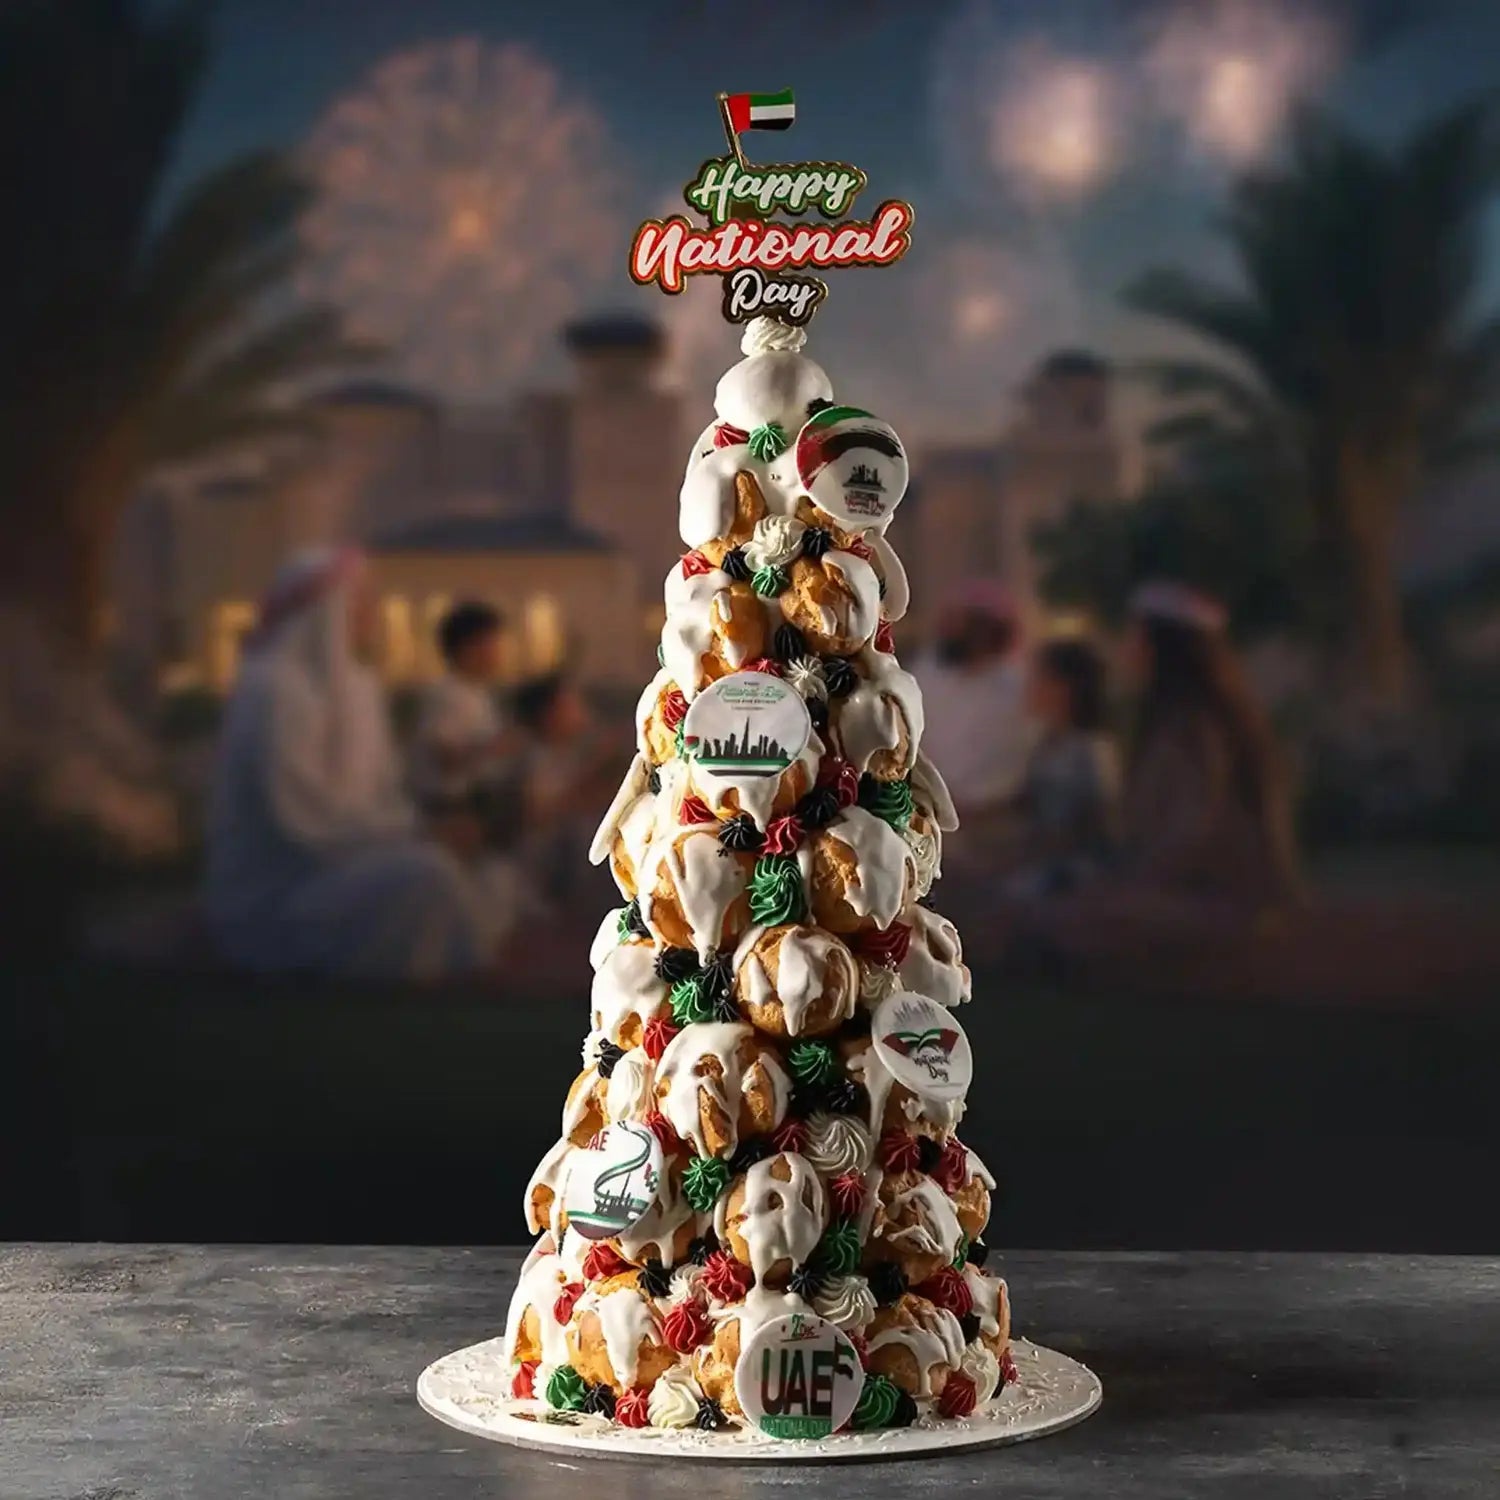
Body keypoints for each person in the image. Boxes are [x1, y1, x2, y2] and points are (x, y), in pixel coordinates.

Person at [205, 548, 510, 982]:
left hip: (357, 858)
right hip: (288, 887)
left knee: (490, 874)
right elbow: (302, 824)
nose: (371, 614)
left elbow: (382, 799)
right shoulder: (274, 691)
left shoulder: (359, 690)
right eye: (359, 602)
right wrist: (417, 836)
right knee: (427, 874)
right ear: (326, 613)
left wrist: (421, 832)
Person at [1119, 582, 1300, 908]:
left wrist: (1129, 885)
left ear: (1165, 650)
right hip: (1186, 900)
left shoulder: (1196, 728)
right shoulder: (1173, 723)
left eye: (1136, 638)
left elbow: (1190, 837)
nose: (1126, 650)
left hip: (1219, 907)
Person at [914, 579, 1035, 873]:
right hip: (932, 825)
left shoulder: (1017, 687)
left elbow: (1028, 758)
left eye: (962, 623)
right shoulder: (925, 677)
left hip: (997, 827)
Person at [1004, 637, 1120, 894]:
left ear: (1064, 688)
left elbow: (1098, 831)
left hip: (1073, 878)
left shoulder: (1091, 752)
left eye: (1039, 678)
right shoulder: (1045, 744)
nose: (1029, 687)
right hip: (1035, 863)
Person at [409, 601, 525, 848]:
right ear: (469, 648)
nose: (499, 653)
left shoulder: (479, 694)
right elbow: (445, 756)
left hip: (480, 804)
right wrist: (496, 747)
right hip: (453, 811)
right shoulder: (446, 694)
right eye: (493, 644)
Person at [510, 672, 620, 901]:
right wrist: (593, 770)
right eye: (570, 705)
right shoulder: (535, 759)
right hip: (553, 863)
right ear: (549, 716)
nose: (581, 711)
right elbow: (541, 813)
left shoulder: (576, 752)